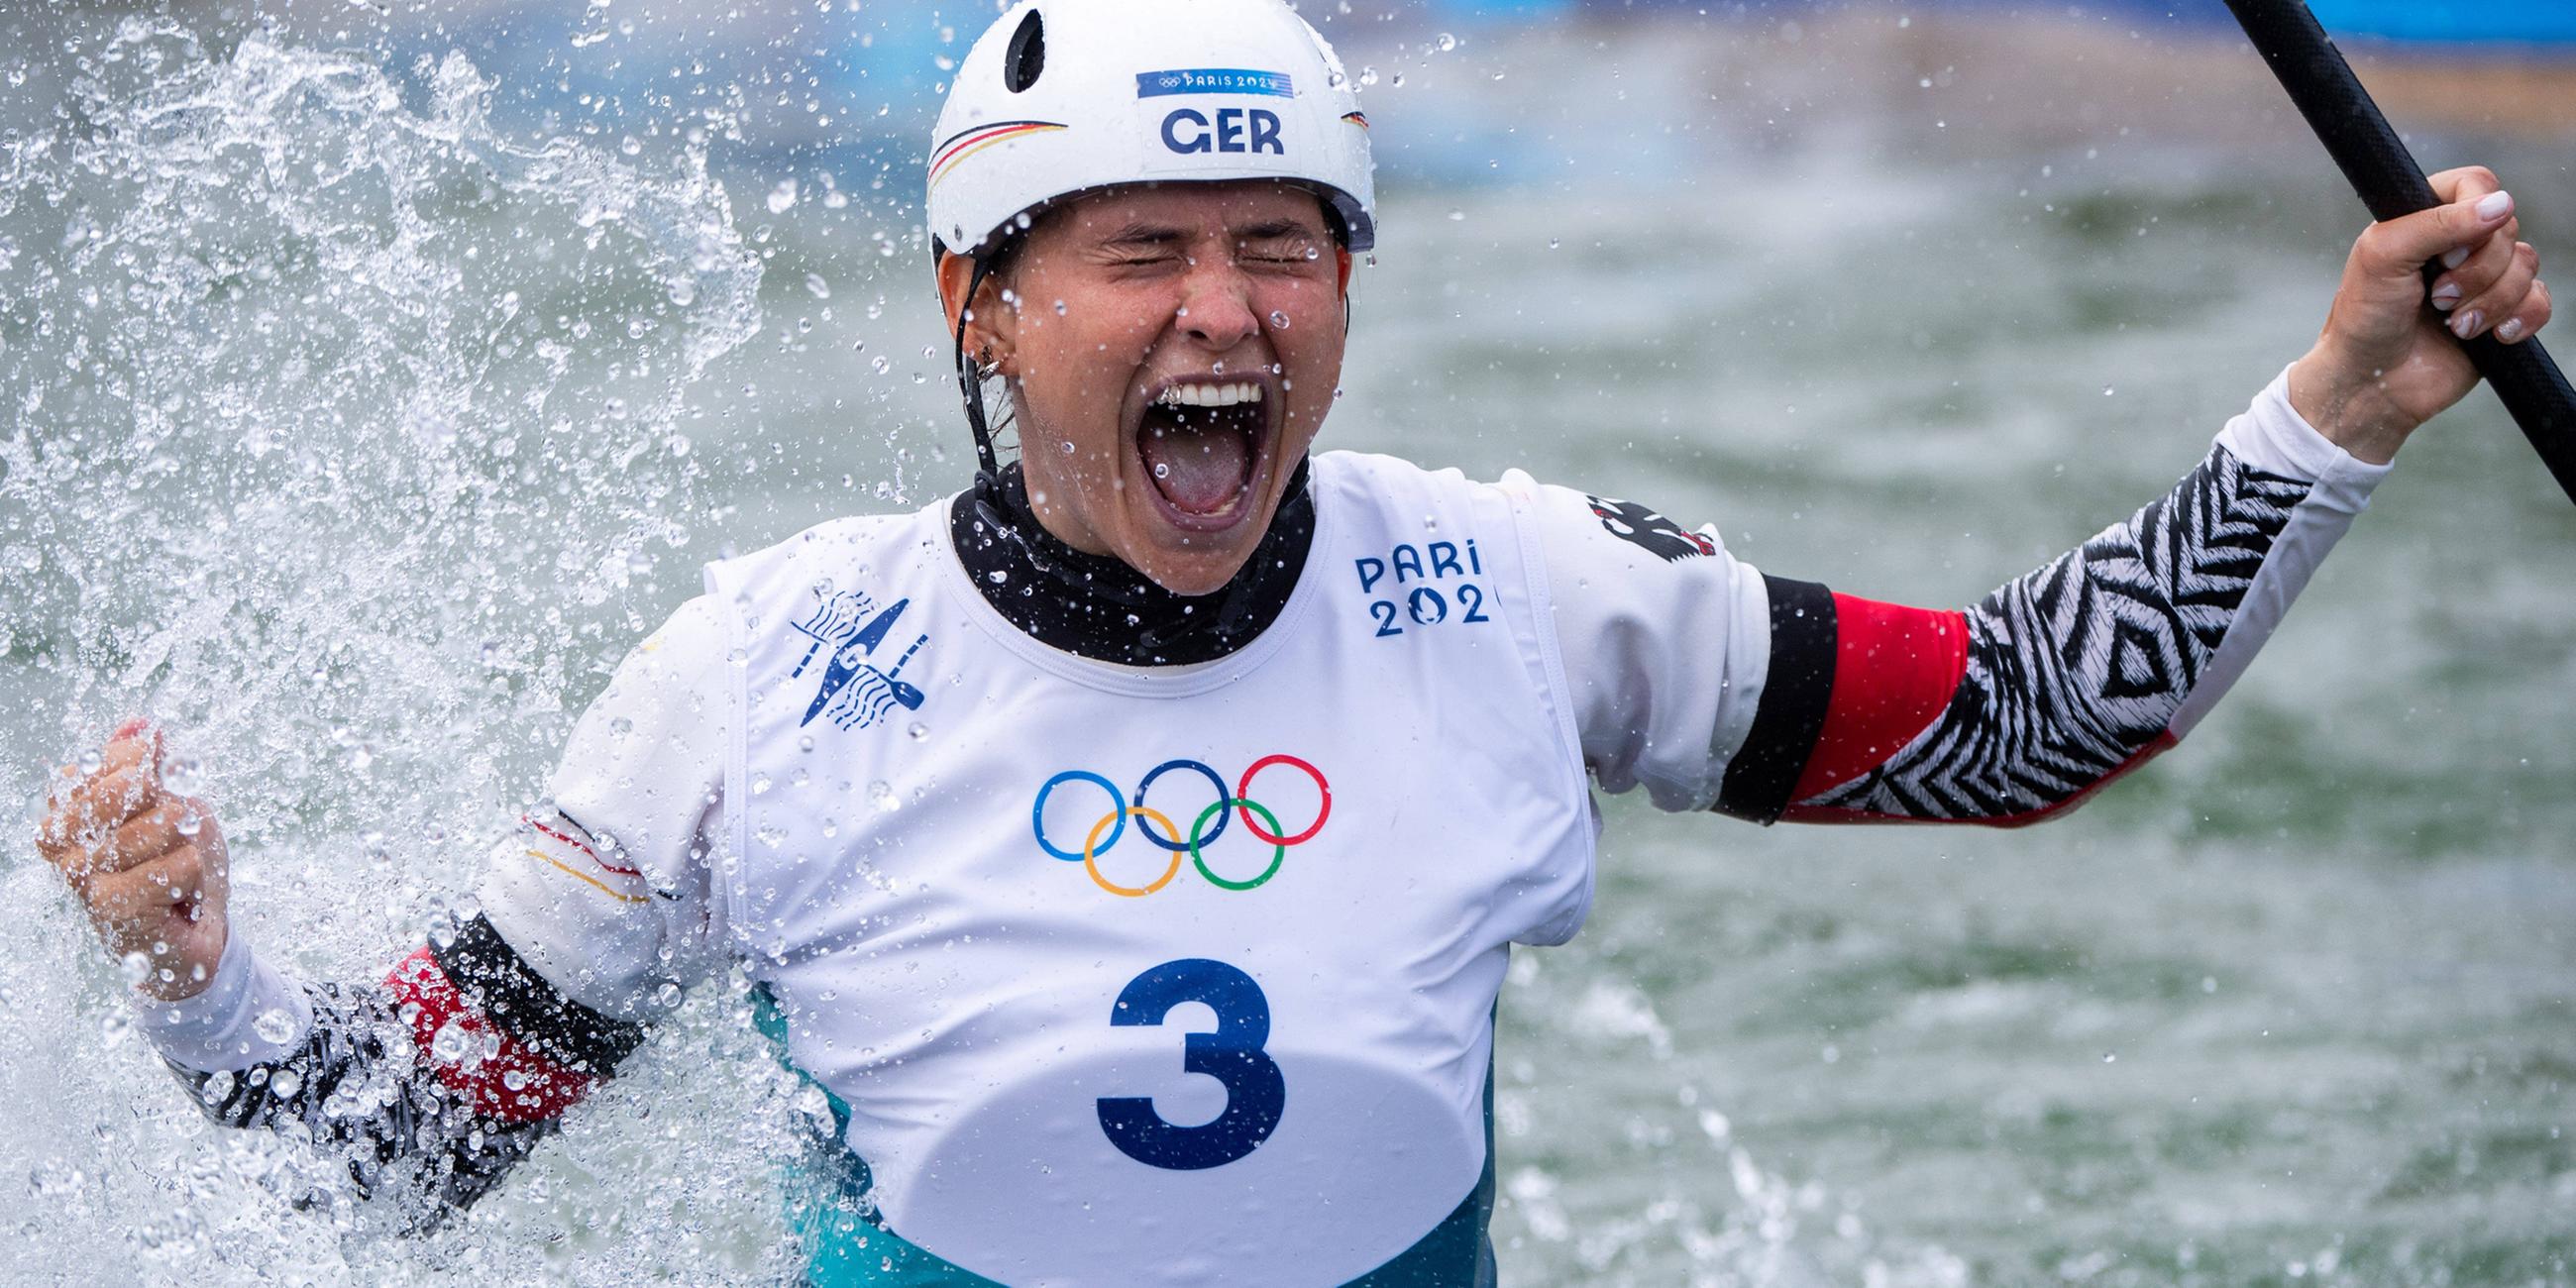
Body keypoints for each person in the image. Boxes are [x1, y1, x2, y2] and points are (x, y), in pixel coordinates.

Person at [34, 0, 2553, 1283]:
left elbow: (2020, 722)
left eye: (1284, 247)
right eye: (1139, 248)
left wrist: (2336, 402)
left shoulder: (1521, 585)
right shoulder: (761, 671)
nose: (1221, 308)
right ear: (981, 306)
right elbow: (401, 1155)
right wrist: (201, 979)